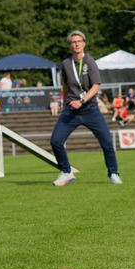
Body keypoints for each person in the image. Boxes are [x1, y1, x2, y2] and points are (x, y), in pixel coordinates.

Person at [49, 30, 121, 186]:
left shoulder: (90, 62)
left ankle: (113, 174)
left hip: (90, 109)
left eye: (79, 41)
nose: (76, 44)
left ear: (84, 43)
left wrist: (81, 100)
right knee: (55, 140)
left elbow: (96, 86)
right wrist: (64, 101)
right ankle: (66, 172)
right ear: (70, 45)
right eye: (73, 42)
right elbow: (66, 84)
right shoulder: (66, 63)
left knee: (107, 142)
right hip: (71, 110)